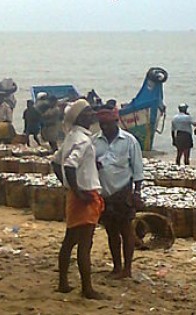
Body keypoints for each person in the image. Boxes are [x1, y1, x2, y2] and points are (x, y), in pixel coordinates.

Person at [51, 99, 105, 299]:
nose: (93, 114)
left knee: (70, 240)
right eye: (88, 112)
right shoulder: (83, 140)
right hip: (85, 196)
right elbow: (70, 165)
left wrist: (67, 185)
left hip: (76, 195)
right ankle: (87, 288)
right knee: (85, 243)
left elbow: (56, 162)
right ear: (80, 117)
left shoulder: (71, 136)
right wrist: (79, 190)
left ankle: (63, 282)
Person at [94, 107, 143, 280]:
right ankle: (116, 267)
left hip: (123, 192)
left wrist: (137, 192)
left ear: (116, 122)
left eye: (108, 124)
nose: (105, 128)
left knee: (126, 231)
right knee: (111, 232)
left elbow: (137, 169)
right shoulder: (95, 141)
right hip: (104, 194)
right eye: (102, 125)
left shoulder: (129, 141)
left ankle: (127, 268)